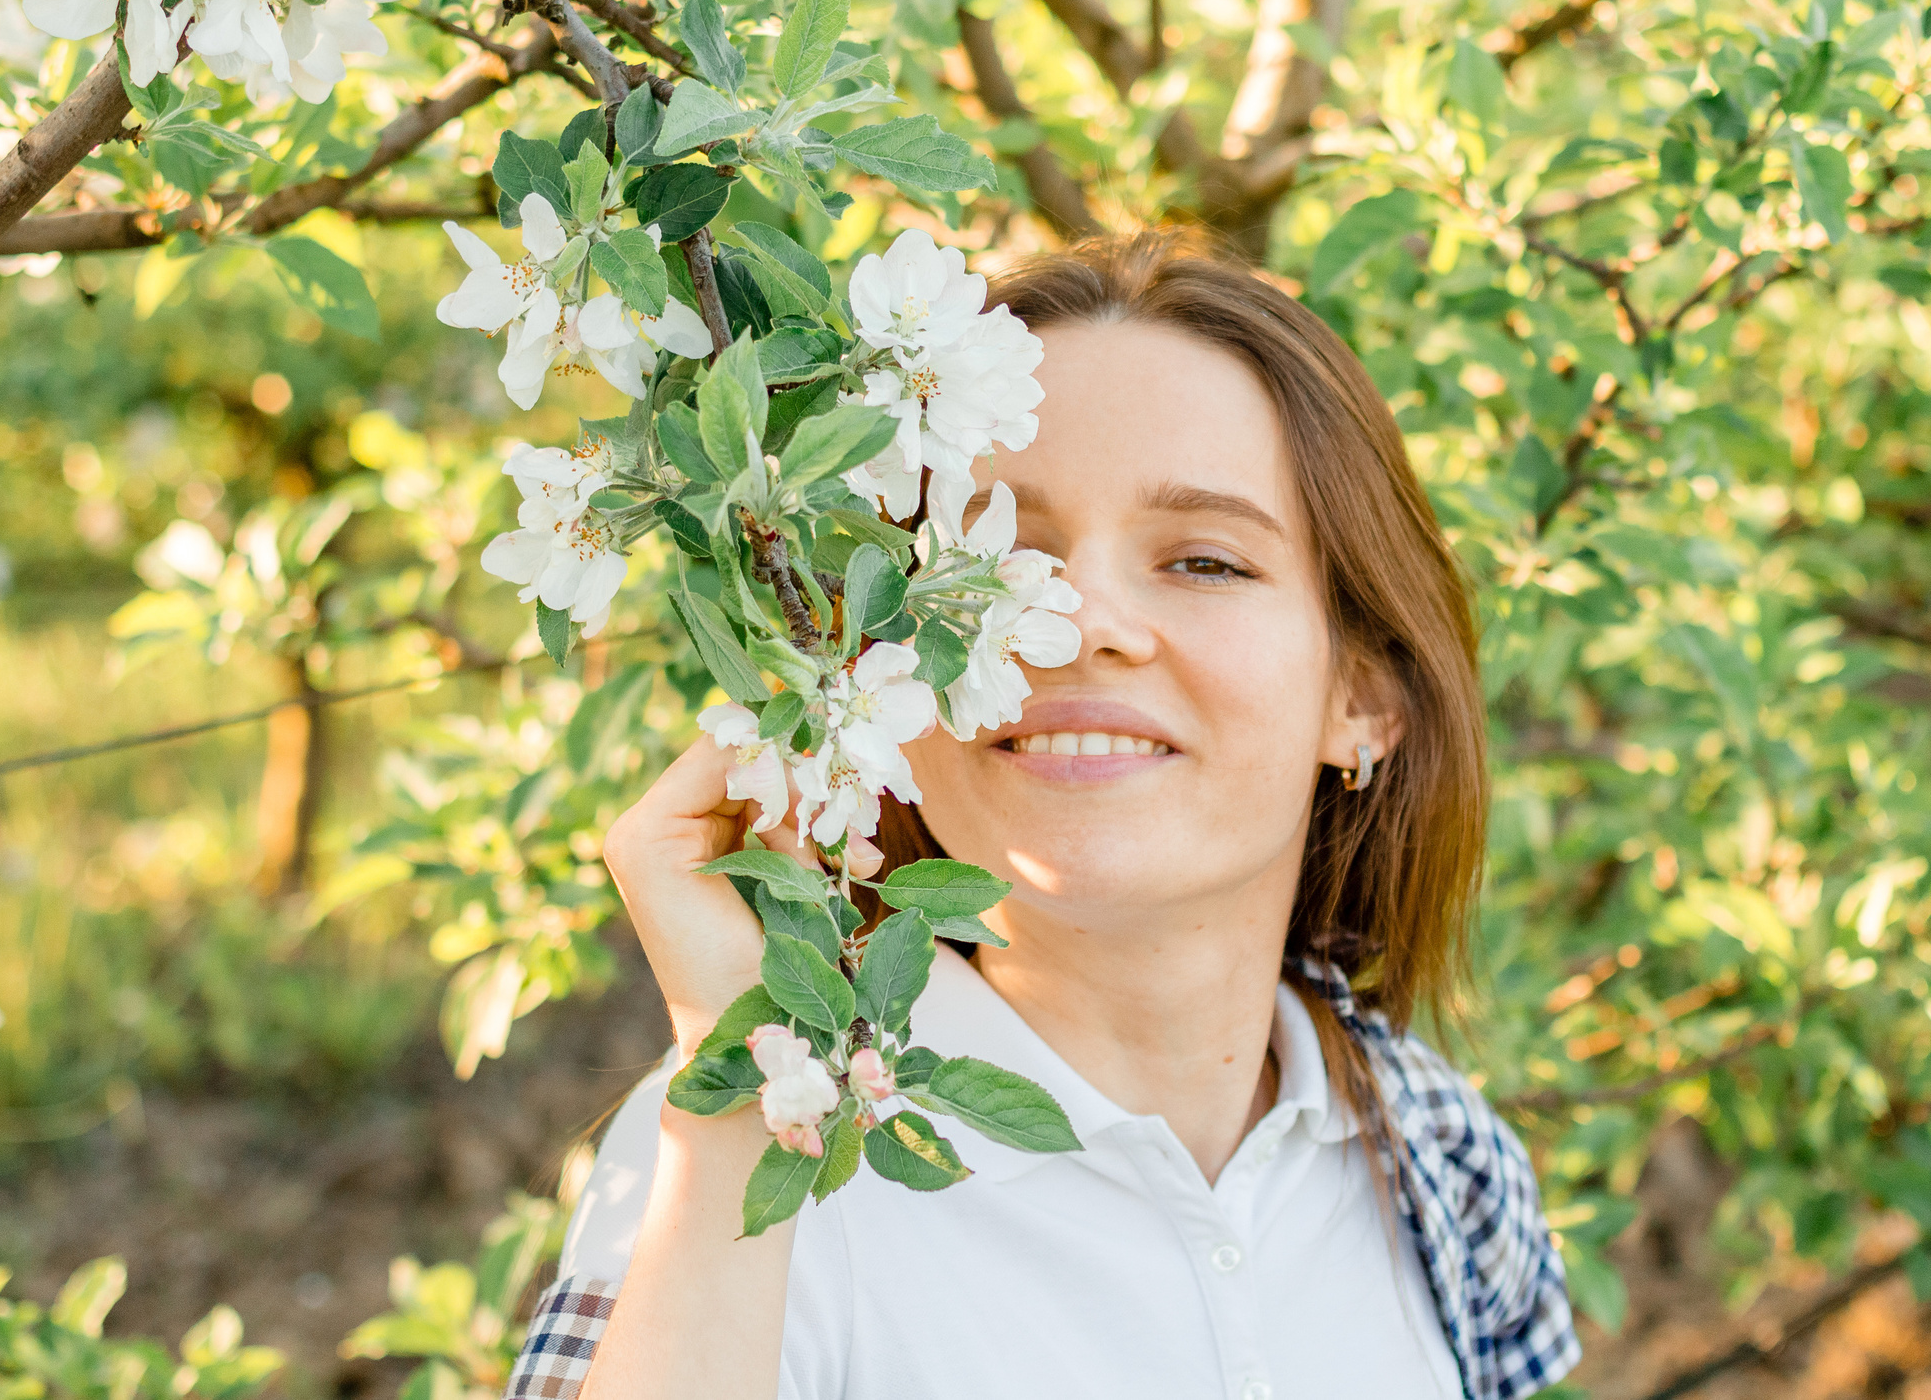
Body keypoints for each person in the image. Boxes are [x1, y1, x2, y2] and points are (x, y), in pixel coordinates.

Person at [505, 233, 1579, 1400]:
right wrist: (741, 1081)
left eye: (1205, 562)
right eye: (998, 552)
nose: (1078, 622)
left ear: (1362, 696)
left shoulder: (1438, 1156)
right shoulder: (758, 1153)